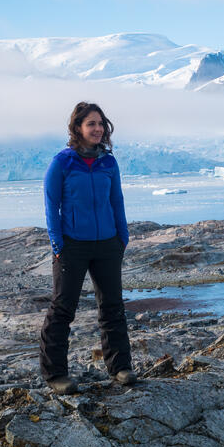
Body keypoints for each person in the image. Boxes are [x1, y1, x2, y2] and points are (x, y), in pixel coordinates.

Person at [40, 102, 136, 394]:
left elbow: (116, 200)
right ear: (78, 128)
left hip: (108, 243)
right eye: (91, 124)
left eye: (100, 124)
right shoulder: (63, 162)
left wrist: (122, 237)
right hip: (73, 245)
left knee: (112, 307)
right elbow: (50, 203)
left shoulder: (108, 162)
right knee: (62, 308)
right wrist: (57, 242)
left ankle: (120, 368)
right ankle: (56, 374)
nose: (97, 129)